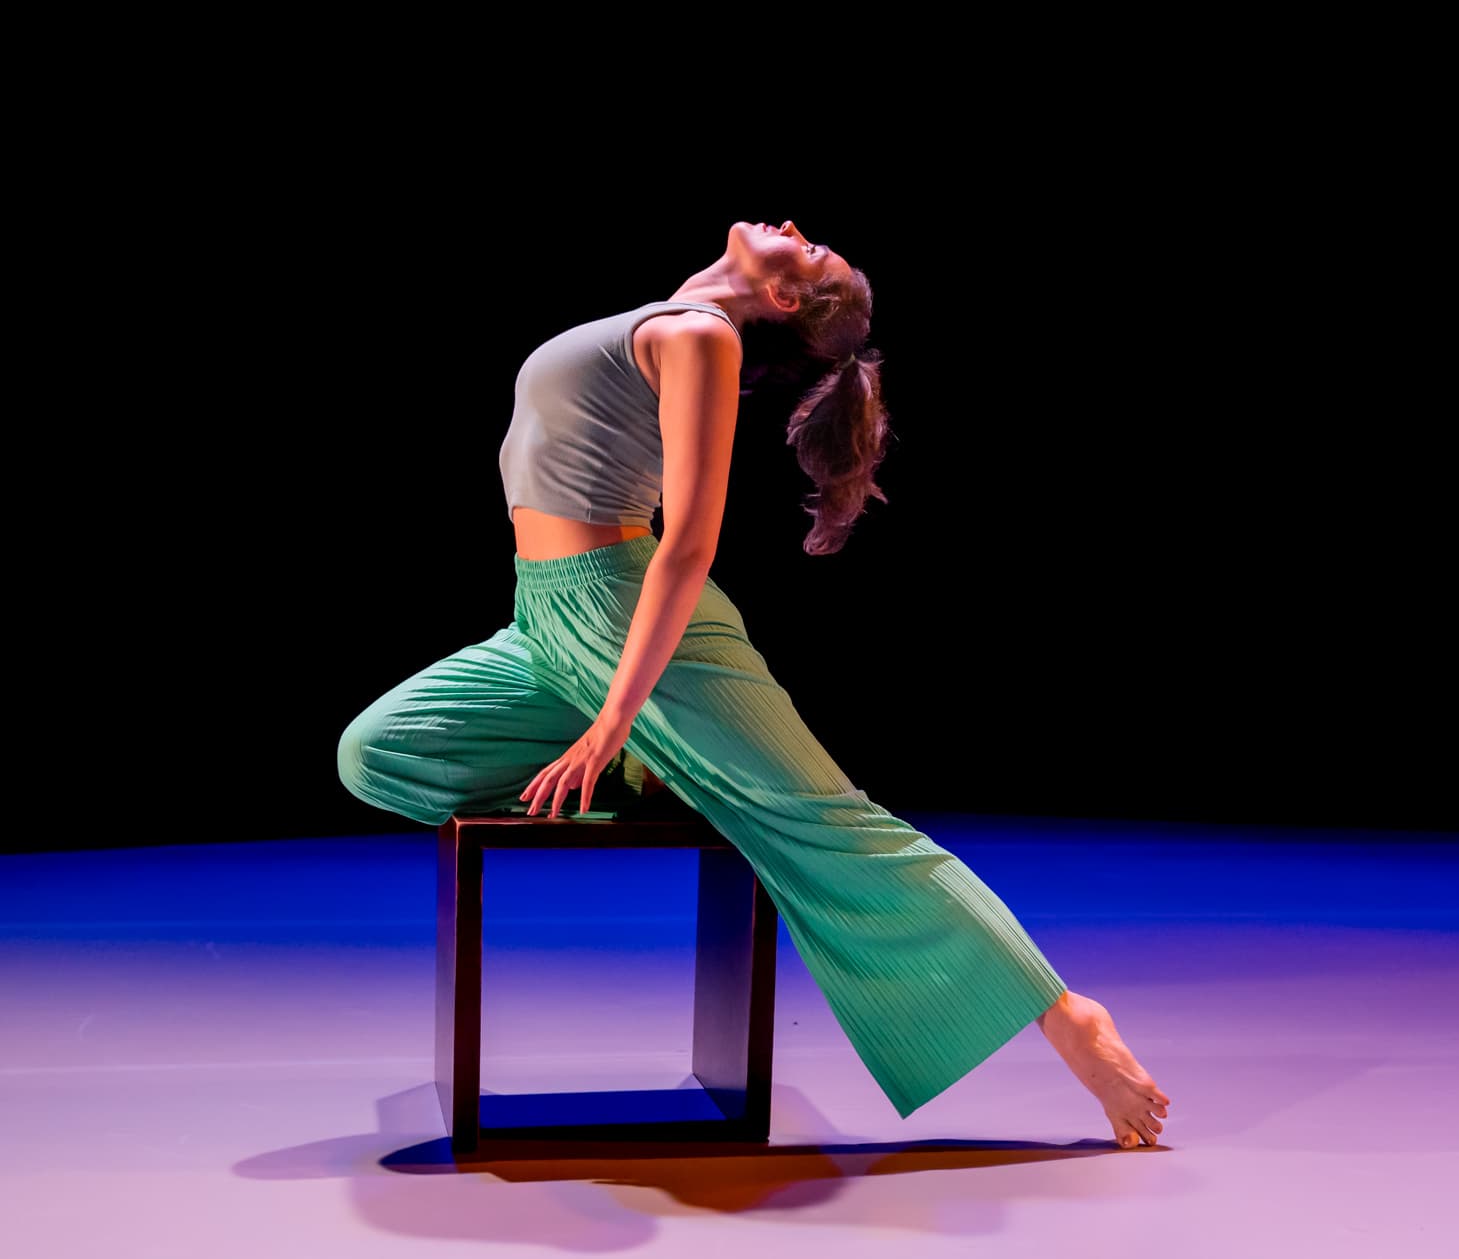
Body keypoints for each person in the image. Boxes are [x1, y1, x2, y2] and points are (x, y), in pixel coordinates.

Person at [336, 220, 1171, 1149]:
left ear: (780, 300)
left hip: (640, 620)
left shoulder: (703, 337)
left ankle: (1064, 1014)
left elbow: (690, 541)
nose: (799, 234)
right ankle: (662, 764)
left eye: (812, 256)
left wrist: (618, 715)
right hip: (544, 622)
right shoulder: (669, 320)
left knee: (830, 822)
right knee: (381, 754)